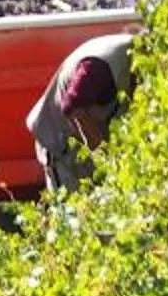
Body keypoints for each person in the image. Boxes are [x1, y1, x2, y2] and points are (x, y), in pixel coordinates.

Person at [24, 30, 136, 192]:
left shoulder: (132, 62)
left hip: (88, 143)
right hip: (61, 145)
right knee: (74, 210)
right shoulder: (101, 68)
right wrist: (104, 157)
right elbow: (73, 106)